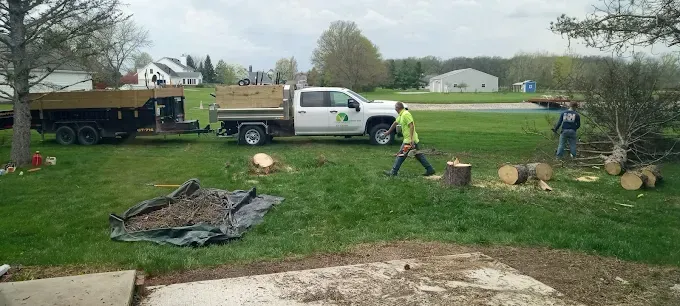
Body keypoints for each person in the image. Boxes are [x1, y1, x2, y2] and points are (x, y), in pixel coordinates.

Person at [382, 102, 435, 176]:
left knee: (401, 155)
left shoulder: (406, 114)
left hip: (409, 140)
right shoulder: (401, 115)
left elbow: (411, 126)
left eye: (395, 108)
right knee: (418, 155)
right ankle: (430, 169)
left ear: (398, 108)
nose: (395, 110)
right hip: (410, 139)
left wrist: (411, 139)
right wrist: (388, 132)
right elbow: (395, 123)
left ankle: (393, 172)